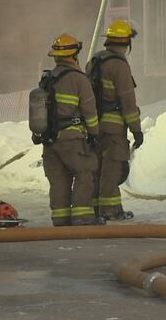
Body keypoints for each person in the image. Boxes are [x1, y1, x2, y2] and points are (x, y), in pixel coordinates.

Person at [39, 33, 103, 226]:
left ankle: (61, 220)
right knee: (85, 173)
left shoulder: (48, 78)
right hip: (72, 139)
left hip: (50, 140)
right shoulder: (78, 79)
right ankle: (83, 217)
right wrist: (94, 134)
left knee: (59, 180)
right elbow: (90, 111)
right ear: (74, 54)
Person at [86, 20, 142, 221]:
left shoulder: (94, 61)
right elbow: (127, 100)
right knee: (113, 167)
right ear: (127, 42)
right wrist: (136, 129)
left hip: (93, 125)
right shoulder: (119, 66)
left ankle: (93, 208)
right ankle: (110, 210)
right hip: (114, 126)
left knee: (96, 167)